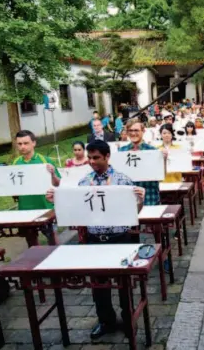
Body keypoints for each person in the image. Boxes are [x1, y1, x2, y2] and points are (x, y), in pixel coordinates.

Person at [45, 140, 145, 340]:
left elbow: (133, 214)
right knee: (99, 284)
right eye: (89, 158)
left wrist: (140, 200)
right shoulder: (84, 182)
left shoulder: (122, 180)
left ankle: (128, 319)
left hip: (119, 237)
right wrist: (58, 201)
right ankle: (106, 320)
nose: (92, 161)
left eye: (96, 158)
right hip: (95, 238)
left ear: (107, 156)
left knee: (123, 283)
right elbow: (77, 212)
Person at [0, 130, 61, 242]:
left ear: (33, 143)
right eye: (19, 144)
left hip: (46, 208)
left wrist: (53, 174)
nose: (22, 147)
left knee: (52, 239)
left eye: (26, 143)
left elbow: (58, 184)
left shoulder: (45, 161)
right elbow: (10, 186)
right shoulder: (16, 163)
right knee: (31, 241)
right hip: (25, 209)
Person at [119, 119, 160, 206]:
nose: (133, 133)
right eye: (130, 130)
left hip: (149, 196)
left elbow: (160, 175)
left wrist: (163, 158)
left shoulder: (152, 151)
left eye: (136, 130)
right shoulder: (121, 151)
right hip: (128, 198)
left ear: (143, 131)